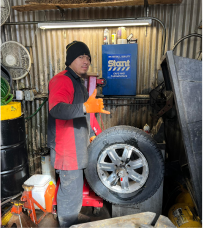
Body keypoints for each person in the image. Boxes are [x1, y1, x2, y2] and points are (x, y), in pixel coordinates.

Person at [47, 40, 110, 228]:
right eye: (81, 56)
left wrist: (93, 133)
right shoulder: (62, 80)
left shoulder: (78, 83)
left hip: (78, 145)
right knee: (70, 189)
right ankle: (66, 222)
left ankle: (73, 217)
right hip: (66, 147)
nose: (86, 61)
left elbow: (87, 114)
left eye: (88, 57)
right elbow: (57, 109)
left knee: (75, 188)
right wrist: (84, 106)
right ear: (70, 60)